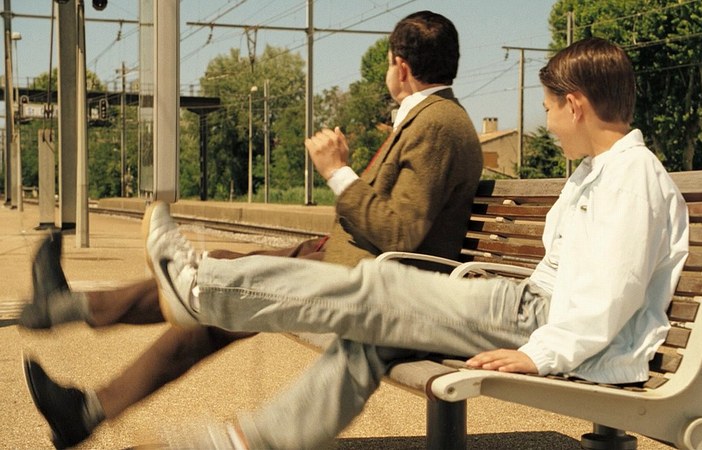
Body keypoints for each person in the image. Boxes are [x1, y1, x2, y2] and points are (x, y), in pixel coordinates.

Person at [139, 36, 691, 449]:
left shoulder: (631, 176)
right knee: (372, 334)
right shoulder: (600, 172)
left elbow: (610, 295)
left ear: (575, 104)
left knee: (377, 287)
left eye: (548, 109)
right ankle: (249, 441)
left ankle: (200, 287)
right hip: (530, 309)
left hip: (540, 323)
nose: (547, 123)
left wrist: (539, 355)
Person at [21, 10, 483, 449]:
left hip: (376, 282)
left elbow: (400, 232)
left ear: (401, 67)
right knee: (216, 287)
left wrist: (337, 172)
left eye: (387, 65)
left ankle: (77, 342)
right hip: (342, 258)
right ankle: (82, 384)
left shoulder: (438, 124)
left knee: (215, 291)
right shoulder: (430, 118)